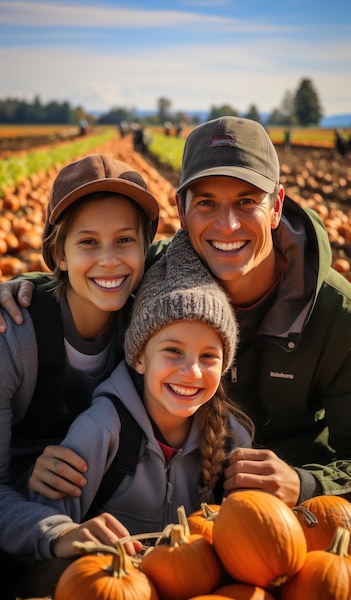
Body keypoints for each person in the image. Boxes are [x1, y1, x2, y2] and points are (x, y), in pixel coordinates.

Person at [3, 116, 351, 511]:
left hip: (293, 517)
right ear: (181, 212)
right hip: (184, 508)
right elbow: (94, 274)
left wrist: (308, 483)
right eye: (205, 202)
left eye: (246, 201)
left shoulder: (337, 315)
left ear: (276, 207)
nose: (228, 224)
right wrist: (27, 286)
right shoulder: (159, 275)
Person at [7, 229, 253, 599]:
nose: (192, 372)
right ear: (139, 357)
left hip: (193, 598)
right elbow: (48, 532)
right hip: (113, 591)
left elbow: (253, 540)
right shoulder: (102, 429)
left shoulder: (233, 440)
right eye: (173, 351)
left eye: (209, 357)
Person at [0, 152, 159, 600]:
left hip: (91, 507)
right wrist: (58, 531)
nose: (109, 261)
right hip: (21, 518)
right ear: (58, 254)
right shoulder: (12, 337)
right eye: (88, 242)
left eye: (125, 240)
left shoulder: (145, 324)